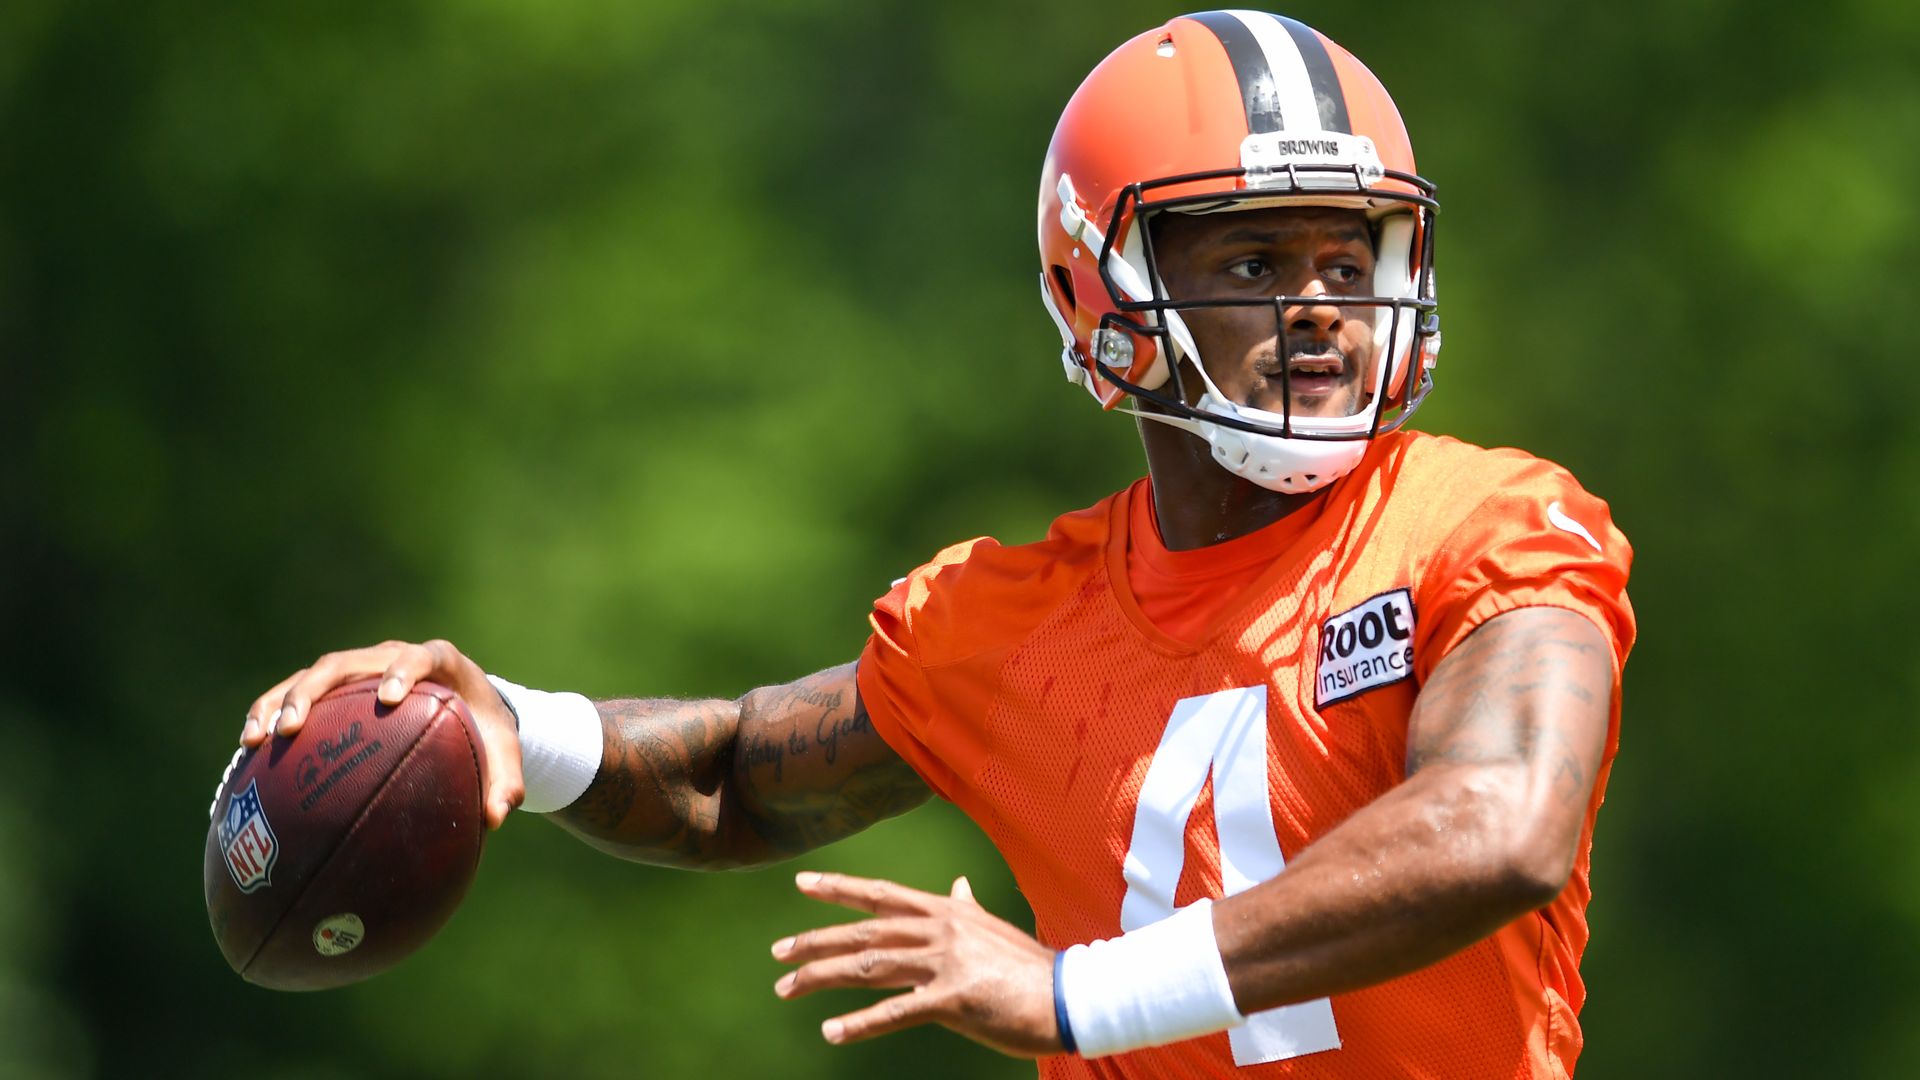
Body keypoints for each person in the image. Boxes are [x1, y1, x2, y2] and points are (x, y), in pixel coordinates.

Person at [235, 11, 1633, 1078]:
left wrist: (1078, 995)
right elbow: (738, 778)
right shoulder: (1014, 625)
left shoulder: (1492, 525)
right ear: (1106, 293)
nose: (1322, 306)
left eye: (1350, 257)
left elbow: (1499, 828)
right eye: (1257, 262)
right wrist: (507, 731)